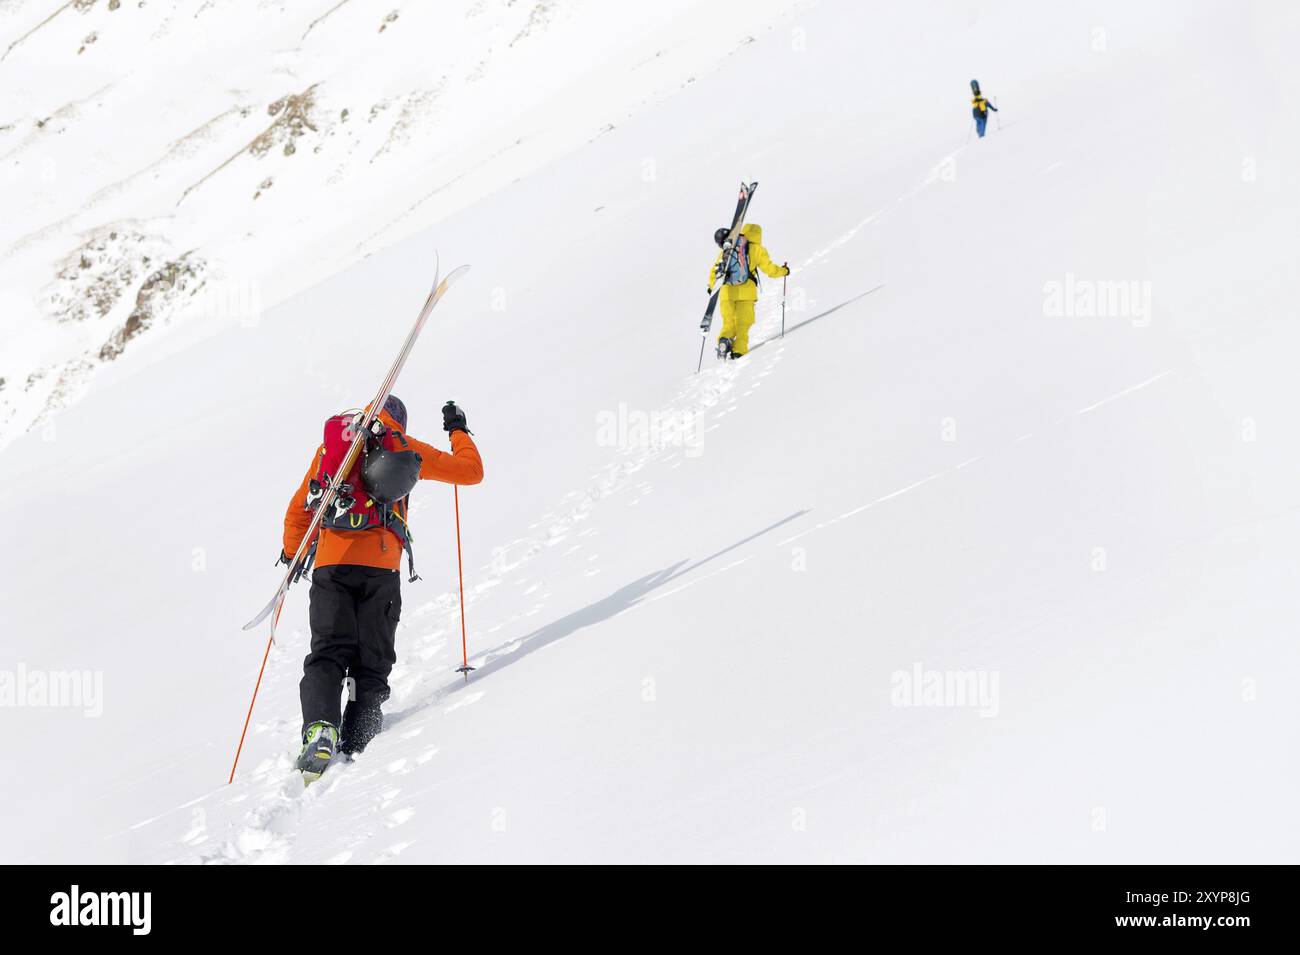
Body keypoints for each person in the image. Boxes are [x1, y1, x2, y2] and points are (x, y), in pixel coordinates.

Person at [281, 395, 483, 779]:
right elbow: (470, 472)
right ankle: (360, 737)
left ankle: (321, 729)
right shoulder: (404, 447)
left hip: (332, 565)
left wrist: (293, 556)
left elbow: (299, 509)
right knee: (371, 660)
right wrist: (458, 430)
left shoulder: (334, 448)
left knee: (327, 652)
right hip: (381, 570)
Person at [707, 223, 789, 359]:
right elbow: (770, 270)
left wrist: (711, 286)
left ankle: (724, 341)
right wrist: (784, 271)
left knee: (728, 322)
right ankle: (739, 351)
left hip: (727, 293)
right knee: (742, 325)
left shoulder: (729, 249)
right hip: (746, 293)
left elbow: (715, 270)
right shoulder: (757, 249)